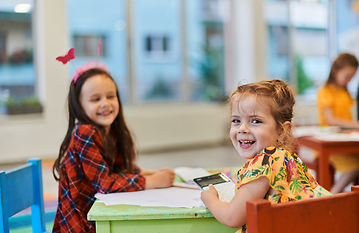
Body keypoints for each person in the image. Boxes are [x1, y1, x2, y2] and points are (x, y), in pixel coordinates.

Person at [52, 63, 175, 232]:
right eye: (96, 99)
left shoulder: (110, 131)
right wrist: (151, 181)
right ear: (79, 106)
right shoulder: (84, 132)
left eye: (111, 96)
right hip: (81, 224)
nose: (105, 104)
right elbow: (106, 184)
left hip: (101, 215)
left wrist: (146, 173)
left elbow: (117, 169)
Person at [200, 79, 330, 233]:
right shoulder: (283, 156)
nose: (242, 128)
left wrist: (209, 198)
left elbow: (232, 218)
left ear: (282, 130)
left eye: (255, 121)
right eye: (236, 120)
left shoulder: (266, 161)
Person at [317, 53, 359, 194]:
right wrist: (356, 124)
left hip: (345, 140)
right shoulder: (325, 91)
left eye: (352, 77)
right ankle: (332, 195)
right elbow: (331, 120)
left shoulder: (344, 93)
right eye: (347, 76)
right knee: (356, 164)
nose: (349, 80)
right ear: (335, 71)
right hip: (330, 145)